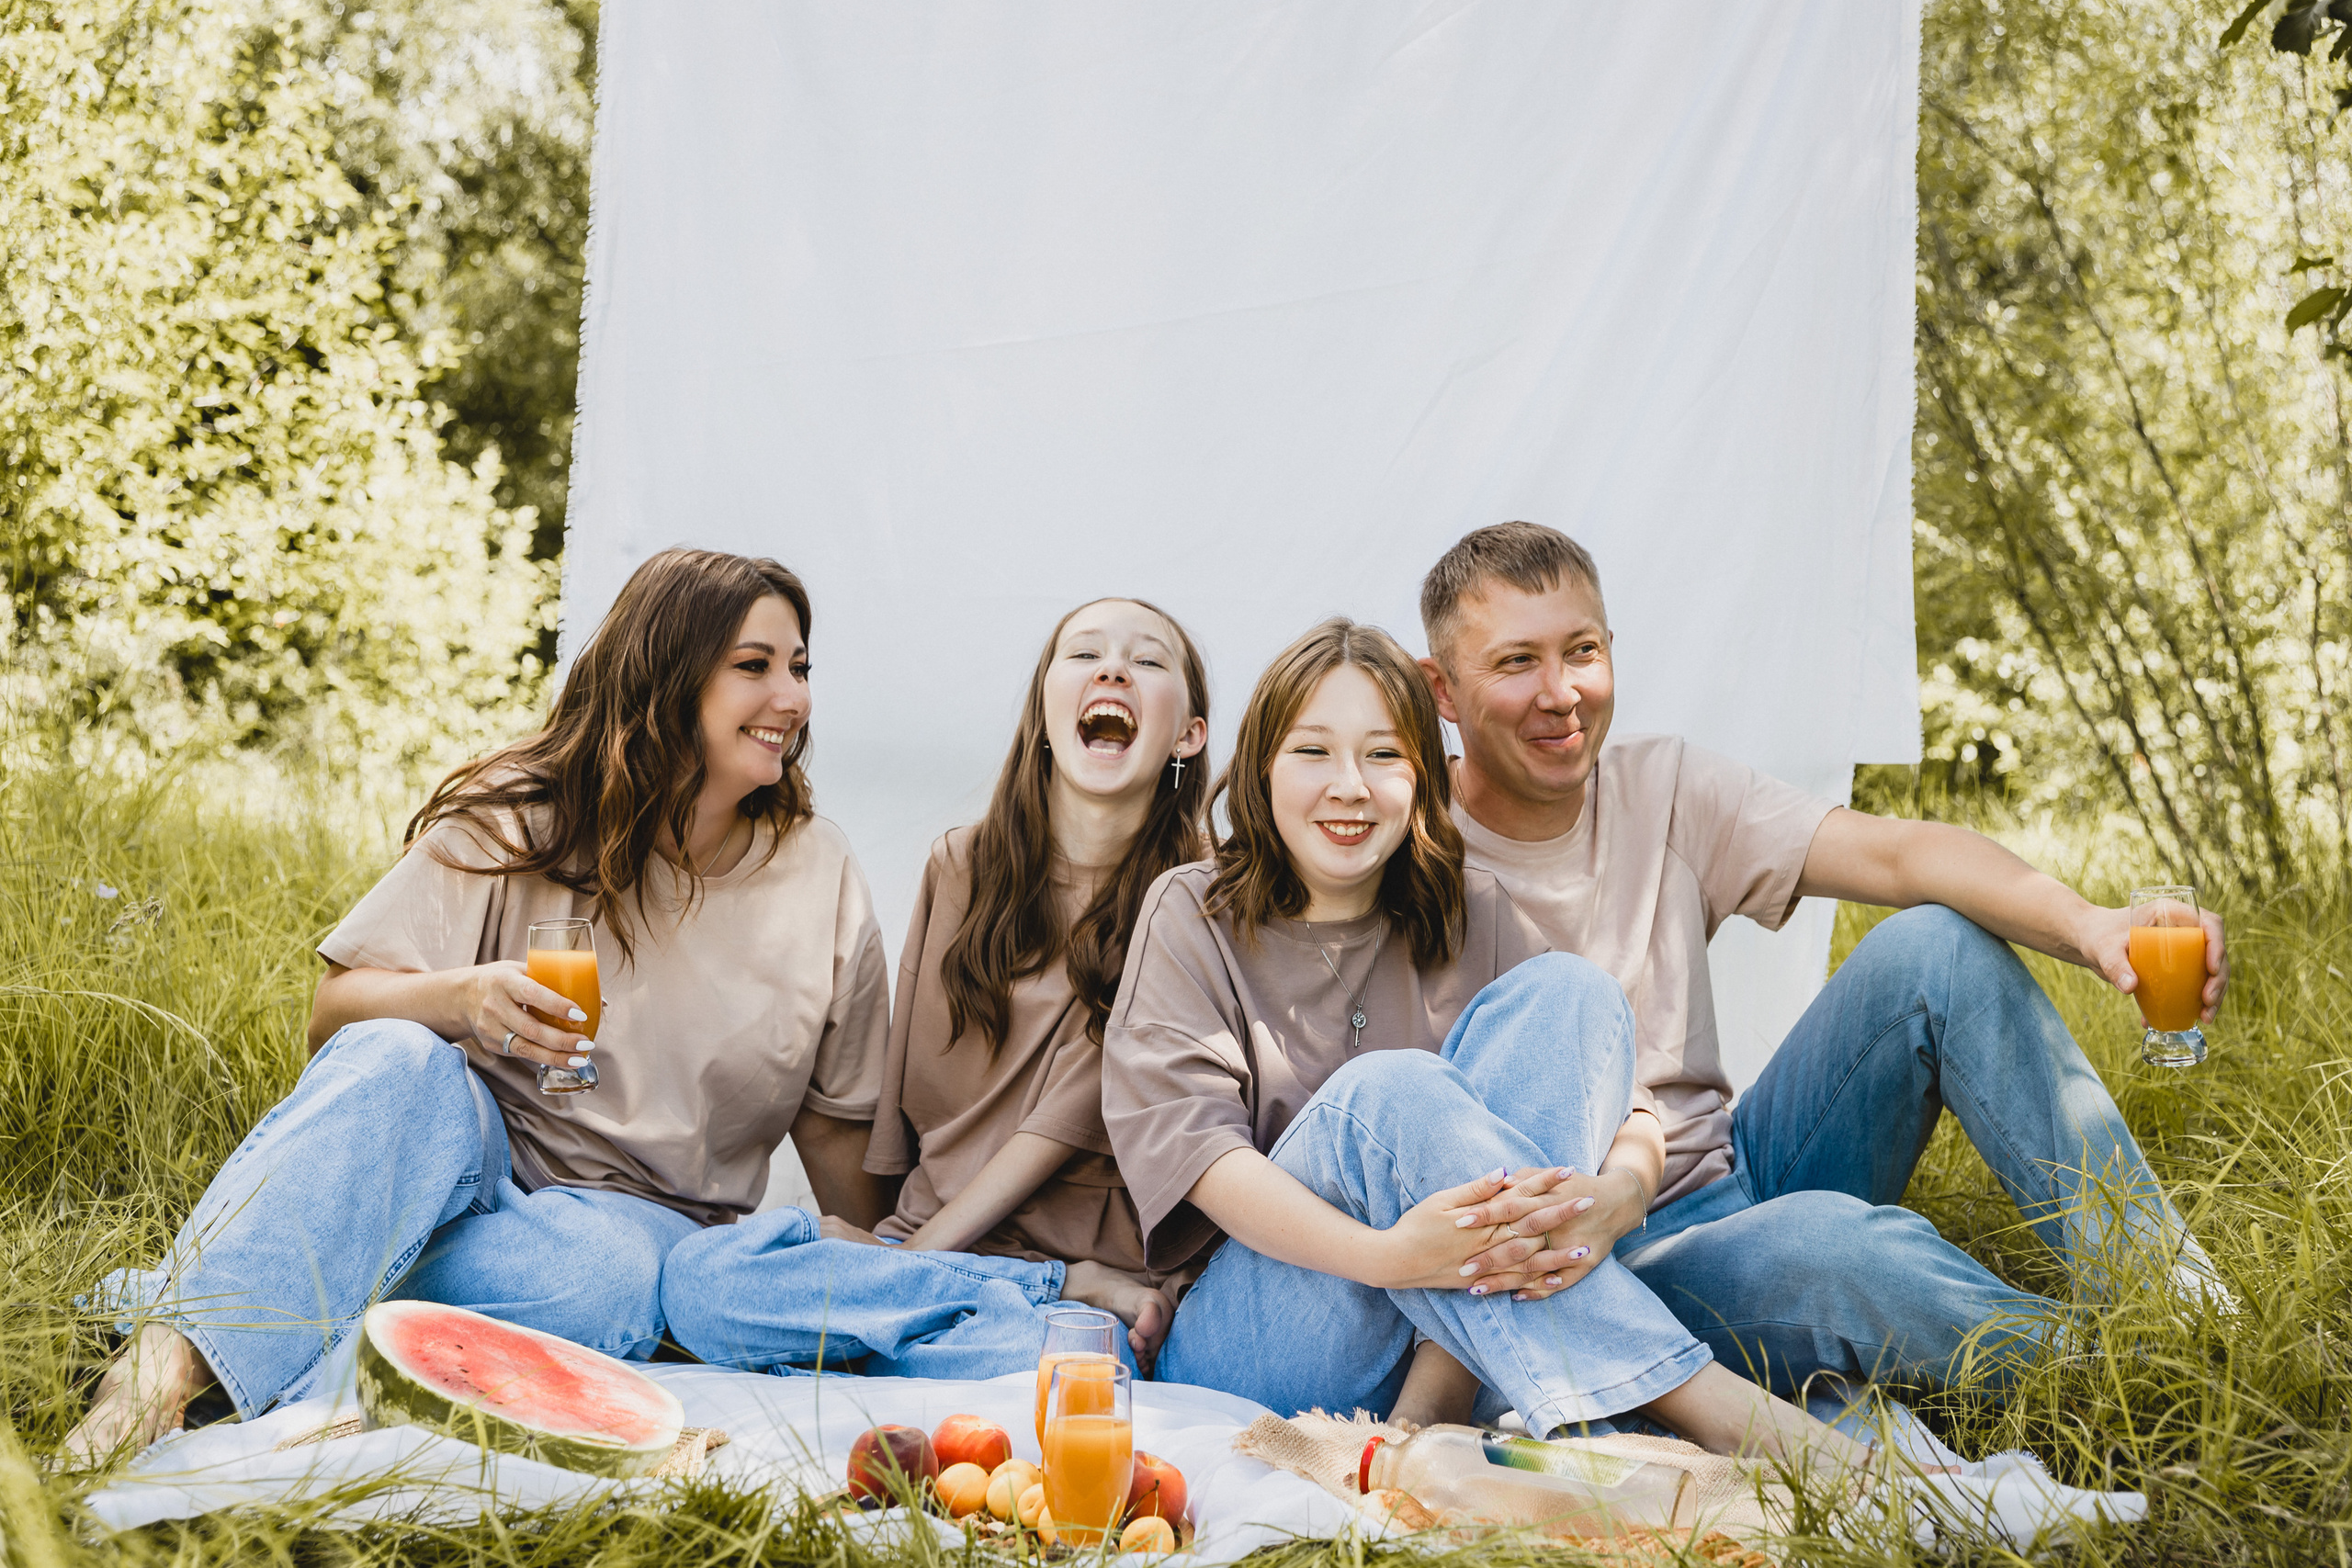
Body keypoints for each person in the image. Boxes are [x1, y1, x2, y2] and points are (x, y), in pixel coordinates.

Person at [63, 547, 892, 1466]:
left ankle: (231, 1304)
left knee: (614, 1282)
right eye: (755, 666)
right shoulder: (523, 812)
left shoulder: (821, 874)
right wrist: (458, 997)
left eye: (800, 668)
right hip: (461, 1156)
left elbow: (835, 1133)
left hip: (628, 1223)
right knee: (399, 1054)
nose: (793, 698)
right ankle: (147, 1381)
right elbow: (337, 1017)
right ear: (666, 675)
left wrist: (891, 1253)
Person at [1412, 520, 2233, 1408]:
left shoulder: (1664, 789)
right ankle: (2144, 1379)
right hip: (1615, 1264)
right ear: (1443, 691)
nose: (1561, 693)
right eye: (1515, 662)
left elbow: (1898, 855)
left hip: (1738, 1168)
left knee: (1936, 945)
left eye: (1582, 650)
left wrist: (2091, 925)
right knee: (1840, 1249)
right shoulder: (1405, 850)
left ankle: (2176, 1302)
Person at [1101, 616, 1886, 1470]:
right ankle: (1711, 1405)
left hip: (1460, 1343)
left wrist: (1621, 1196)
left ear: (1423, 775)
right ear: (1260, 767)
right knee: (1388, 1092)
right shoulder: (1192, 909)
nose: (1350, 786)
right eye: (1313, 752)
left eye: (1385, 755)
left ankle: (1435, 1411)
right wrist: (1391, 1256)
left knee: (1578, 993)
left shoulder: (1470, 906)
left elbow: (1626, 1105)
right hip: (1266, 1340)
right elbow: (1202, 1156)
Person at [661, 597, 1210, 1377]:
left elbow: (1059, 1126)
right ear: (1044, 710)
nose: (1114, 667)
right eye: (1084, 654)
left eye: (1148, 661)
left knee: (1067, 1364)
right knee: (699, 1280)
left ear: (1189, 733)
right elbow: (906, 1116)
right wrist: (885, 1251)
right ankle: (899, 1329)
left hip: (1073, 1294)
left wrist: (903, 1266)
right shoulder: (960, 868)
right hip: (930, 1256)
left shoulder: (1196, 902)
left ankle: (890, 1335)